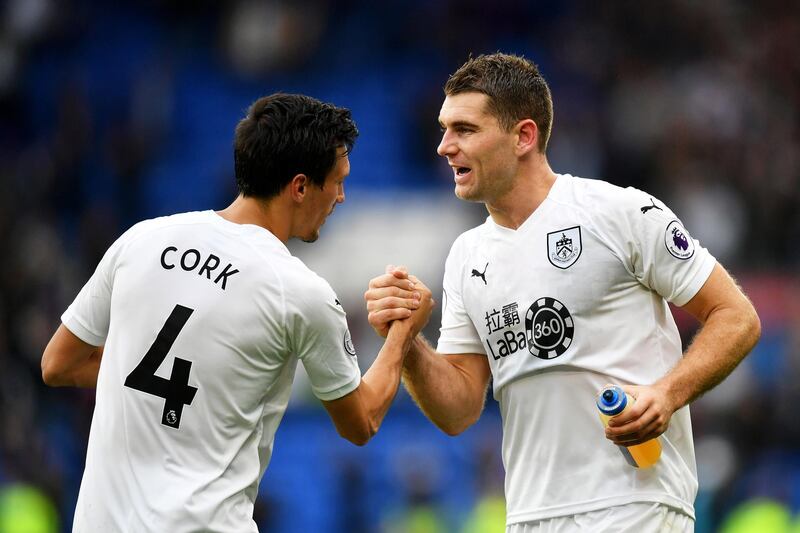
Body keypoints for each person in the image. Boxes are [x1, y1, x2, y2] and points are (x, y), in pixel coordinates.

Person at [365, 53, 761, 532]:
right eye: (445, 129)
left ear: (524, 137)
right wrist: (405, 341)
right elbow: (460, 409)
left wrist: (666, 394)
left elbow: (736, 316)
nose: (444, 147)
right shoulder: (467, 256)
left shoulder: (619, 213)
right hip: (531, 516)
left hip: (635, 505)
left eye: (465, 130)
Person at [41, 93, 432, 533]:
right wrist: (403, 332)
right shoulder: (299, 292)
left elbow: (58, 363)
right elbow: (361, 422)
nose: (341, 197)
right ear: (300, 186)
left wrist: (154, 379)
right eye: (337, 181)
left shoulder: (140, 240)